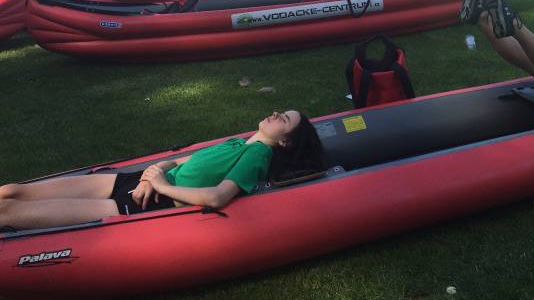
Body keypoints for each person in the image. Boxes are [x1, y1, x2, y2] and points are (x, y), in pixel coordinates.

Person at [0, 110, 324, 230]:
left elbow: (217, 197)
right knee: (13, 190)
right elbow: (181, 161)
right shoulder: (238, 142)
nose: (275, 114)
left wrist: (161, 185)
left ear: (285, 141)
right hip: (135, 182)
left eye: (284, 119)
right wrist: (153, 172)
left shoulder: (257, 157)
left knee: (9, 212)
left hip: (145, 203)